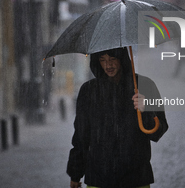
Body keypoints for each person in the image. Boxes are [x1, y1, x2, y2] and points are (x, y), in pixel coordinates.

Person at [67, 47, 168, 188]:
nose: (108, 65)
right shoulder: (89, 91)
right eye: (103, 60)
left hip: (136, 178)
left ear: (122, 59)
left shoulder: (144, 86)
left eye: (112, 59)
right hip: (99, 178)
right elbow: (81, 136)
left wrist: (146, 111)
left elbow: (158, 131)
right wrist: (75, 173)